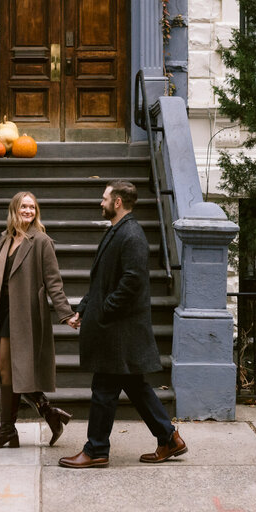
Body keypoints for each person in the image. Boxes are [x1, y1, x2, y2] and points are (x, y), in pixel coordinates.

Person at [58, 180, 187, 468]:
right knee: (134, 385)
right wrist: (84, 309)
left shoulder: (132, 235)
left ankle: (96, 450)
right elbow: (102, 281)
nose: (100, 202)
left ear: (117, 202)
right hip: (115, 328)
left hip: (118, 330)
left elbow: (132, 282)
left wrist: (104, 311)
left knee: (104, 389)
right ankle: (169, 438)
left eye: (104, 198)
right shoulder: (119, 231)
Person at [0, 191, 80, 449]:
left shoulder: (41, 241)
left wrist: (66, 313)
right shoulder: (5, 240)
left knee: (9, 368)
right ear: (14, 210)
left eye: (32, 207)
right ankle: (46, 414)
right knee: (7, 370)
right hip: (2, 312)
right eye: (23, 206)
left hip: (24, 315)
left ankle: (8, 430)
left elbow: (53, 281)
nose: (28, 211)